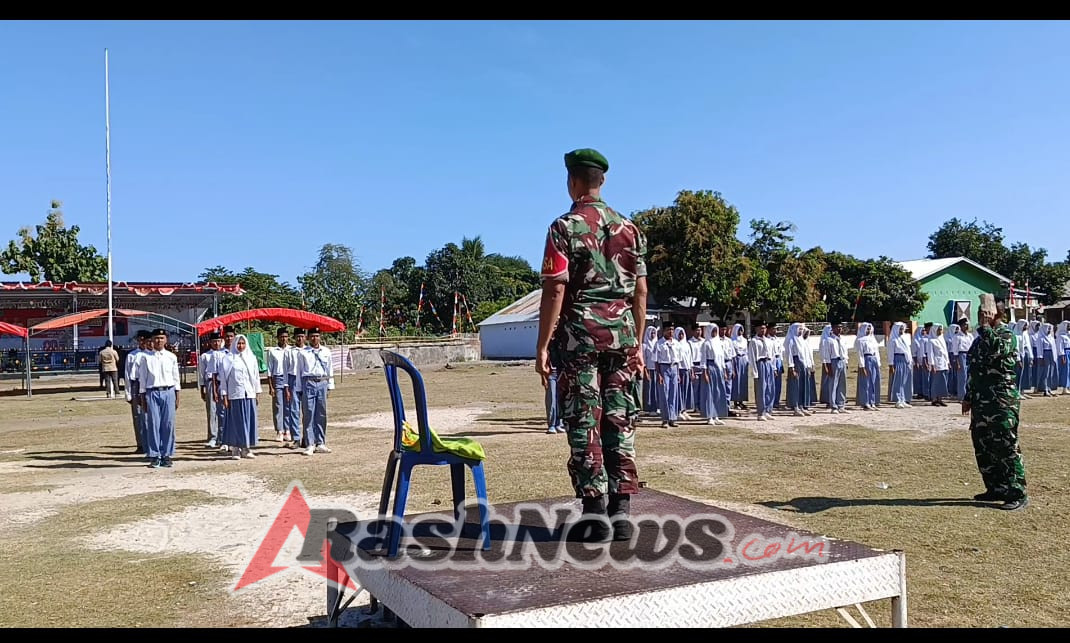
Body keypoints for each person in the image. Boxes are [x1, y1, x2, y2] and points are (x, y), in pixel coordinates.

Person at [535, 147, 647, 543]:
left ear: (573, 181)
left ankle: (595, 513)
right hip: (623, 341)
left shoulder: (564, 227)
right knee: (619, 420)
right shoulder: (630, 229)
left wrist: (543, 345)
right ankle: (622, 512)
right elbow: (641, 292)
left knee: (585, 421)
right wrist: (639, 344)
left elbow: (555, 288)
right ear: (601, 180)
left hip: (580, 339)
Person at [963, 296, 1027, 510]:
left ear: (997, 313)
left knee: (1006, 446)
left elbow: (998, 349)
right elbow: (974, 368)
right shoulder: (979, 338)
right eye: (980, 313)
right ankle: (995, 487)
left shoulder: (1006, 334)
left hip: (1001, 401)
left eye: (985, 313)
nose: (981, 316)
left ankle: (1016, 492)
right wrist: (968, 396)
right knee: (984, 445)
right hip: (982, 401)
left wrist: (985, 328)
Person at [134, 328, 180, 469]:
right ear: (151, 340)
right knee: (153, 424)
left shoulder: (171, 357)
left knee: (168, 424)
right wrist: (142, 397)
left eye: (161, 338)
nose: (159, 341)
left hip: (168, 391)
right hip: (152, 392)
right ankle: (154, 455)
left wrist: (177, 396)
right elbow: (143, 379)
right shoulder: (145, 358)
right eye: (156, 338)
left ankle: (166, 454)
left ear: (166, 340)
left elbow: (175, 378)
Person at [217, 334, 262, 460]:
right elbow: (223, 380)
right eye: (238, 343)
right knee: (236, 422)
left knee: (248, 422)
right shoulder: (228, 359)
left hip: (249, 394)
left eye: (243, 343)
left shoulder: (251, 358)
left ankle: (246, 448)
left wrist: (257, 392)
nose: (240, 346)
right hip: (235, 395)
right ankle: (235, 449)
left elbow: (255, 376)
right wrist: (225, 396)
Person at [294, 327, 335, 456]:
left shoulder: (326, 351)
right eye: (312, 336)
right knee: (308, 413)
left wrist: (330, 385)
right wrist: (299, 388)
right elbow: (299, 371)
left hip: (322, 381)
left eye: (317, 336)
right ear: (308, 337)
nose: (314, 338)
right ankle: (309, 443)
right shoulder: (303, 353)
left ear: (320, 337)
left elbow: (329, 369)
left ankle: (320, 442)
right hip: (309, 382)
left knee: (321, 413)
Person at [124, 331, 151, 455]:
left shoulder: (152, 354)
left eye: (145, 340)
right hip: (136, 385)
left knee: (150, 416)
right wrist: (128, 393)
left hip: (149, 386)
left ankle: (151, 443)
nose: (142, 342)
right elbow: (127, 375)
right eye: (140, 340)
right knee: (138, 416)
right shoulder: (132, 355)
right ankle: (140, 444)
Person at [267, 327, 291, 442]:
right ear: (278, 337)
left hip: (289, 379)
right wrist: (271, 386)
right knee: (278, 405)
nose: (284, 339)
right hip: (277, 378)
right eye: (281, 337)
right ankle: (279, 430)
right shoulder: (273, 351)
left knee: (288, 405)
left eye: (285, 337)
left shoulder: (291, 350)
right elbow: (269, 370)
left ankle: (287, 430)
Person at [855, 322, 881, 411]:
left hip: (874, 359)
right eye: (867, 329)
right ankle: (865, 402)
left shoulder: (873, 339)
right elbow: (860, 354)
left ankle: (872, 401)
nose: (868, 330)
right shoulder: (860, 340)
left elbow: (877, 352)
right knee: (866, 382)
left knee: (873, 382)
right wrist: (862, 366)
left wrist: (878, 363)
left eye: (870, 329)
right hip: (866, 359)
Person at [887, 322, 913, 408]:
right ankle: (897, 399)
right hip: (897, 359)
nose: (902, 330)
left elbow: (908, 350)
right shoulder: (893, 340)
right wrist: (891, 365)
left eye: (903, 329)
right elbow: (890, 353)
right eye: (900, 329)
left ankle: (903, 398)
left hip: (905, 360)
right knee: (898, 380)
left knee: (904, 380)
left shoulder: (904, 338)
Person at [926, 323, 951, 406]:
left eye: (941, 329)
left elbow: (945, 352)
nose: (940, 331)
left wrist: (948, 362)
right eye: (939, 329)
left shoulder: (942, 338)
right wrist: (932, 365)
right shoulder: (931, 340)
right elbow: (930, 353)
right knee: (935, 382)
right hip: (936, 363)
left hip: (943, 362)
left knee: (942, 381)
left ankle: (940, 398)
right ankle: (934, 399)